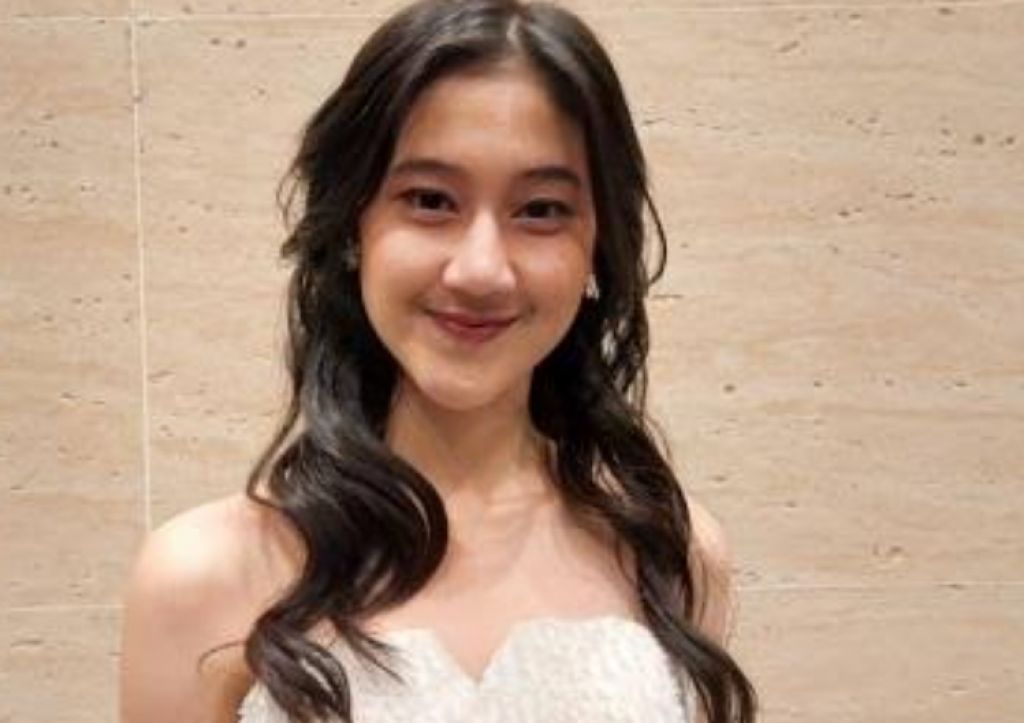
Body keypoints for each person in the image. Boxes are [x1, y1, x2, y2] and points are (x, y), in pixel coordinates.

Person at [119, 0, 758, 721]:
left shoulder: (674, 555)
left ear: (597, 249)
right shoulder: (200, 577)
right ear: (353, 225)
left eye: (540, 209)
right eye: (430, 200)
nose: (481, 269)